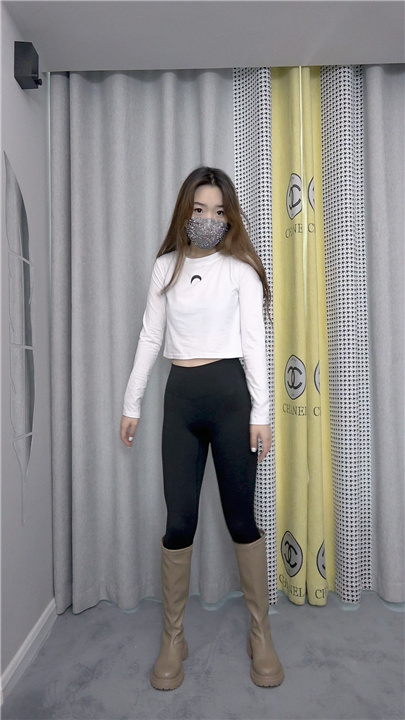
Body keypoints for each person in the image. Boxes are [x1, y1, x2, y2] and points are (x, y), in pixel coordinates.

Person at [120, 166, 284, 691]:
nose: (208, 219)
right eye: (199, 210)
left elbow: (255, 342)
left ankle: (260, 633)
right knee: (179, 523)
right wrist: (131, 403)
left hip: (232, 402)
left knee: (241, 519)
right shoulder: (165, 268)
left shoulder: (240, 271)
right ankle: (174, 638)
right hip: (182, 402)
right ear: (185, 212)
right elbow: (150, 337)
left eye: (218, 211)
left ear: (228, 217)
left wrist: (262, 414)